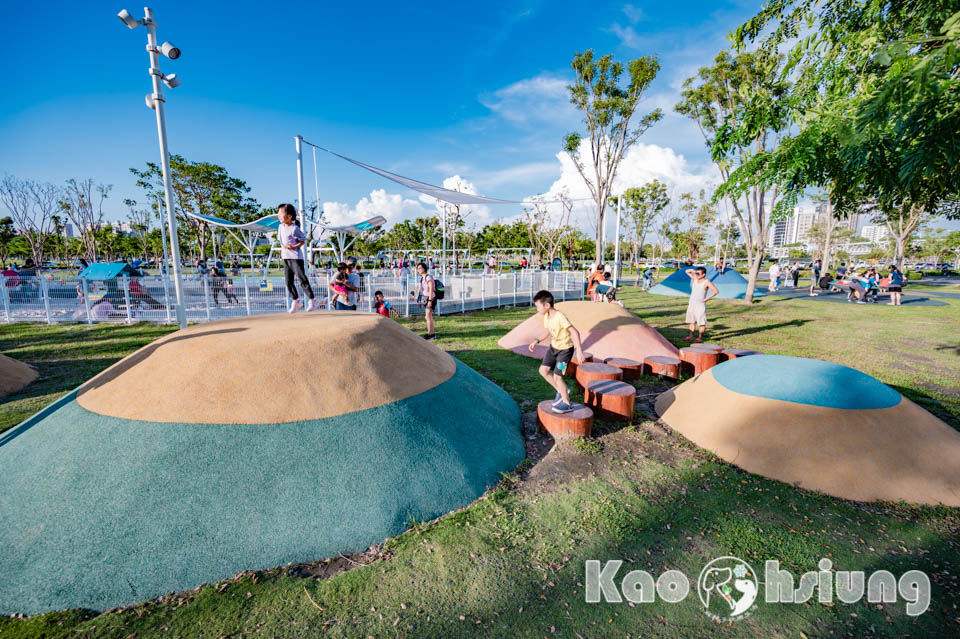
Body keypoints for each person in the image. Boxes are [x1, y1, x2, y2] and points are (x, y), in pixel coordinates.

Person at [528, 290, 586, 414]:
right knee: (543, 371)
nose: (537, 309)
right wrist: (536, 340)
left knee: (557, 377)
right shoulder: (547, 316)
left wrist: (579, 351)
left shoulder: (560, 316)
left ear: (547, 305)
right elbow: (547, 331)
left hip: (565, 351)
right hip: (553, 348)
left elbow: (575, 332)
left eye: (538, 306)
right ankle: (562, 390)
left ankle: (567, 404)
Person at [276, 203, 317, 313]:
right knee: (288, 281)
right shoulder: (280, 227)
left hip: (295, 257)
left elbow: (303, 239)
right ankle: (296, 300)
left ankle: (312, 300)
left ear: (289, 216)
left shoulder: (294, 228)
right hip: (286, 257)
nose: (279, 215)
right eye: (278, 213)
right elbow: (282, 242)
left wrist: (294, 247)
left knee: (302, 279)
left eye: (281, 213)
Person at [682, 266, 719, 343]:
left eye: (698, 273)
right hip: (692, 303)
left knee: (701, 322)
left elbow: (716, 291)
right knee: (691, 321)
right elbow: (686, 271)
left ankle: (700, 337)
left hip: (700, 305)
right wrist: (693, 270)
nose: (696, 275)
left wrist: (706, 299)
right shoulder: (695, 279)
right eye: (696, 273)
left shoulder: (707, 282)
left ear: (703, 274)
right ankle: (690, 336)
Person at [413, 262, 437, 339]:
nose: (418, 270)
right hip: (425, 299)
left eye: (420, 268)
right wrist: (419, 301)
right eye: (417, 268)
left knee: (427, 317)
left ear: (424, 268)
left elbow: (431, 289)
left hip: (431, 298)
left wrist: (430, 300)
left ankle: (431, 335)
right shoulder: (422, 279)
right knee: (428, 317)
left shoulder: (428, 277)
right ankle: (431, 334)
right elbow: (421, 291)